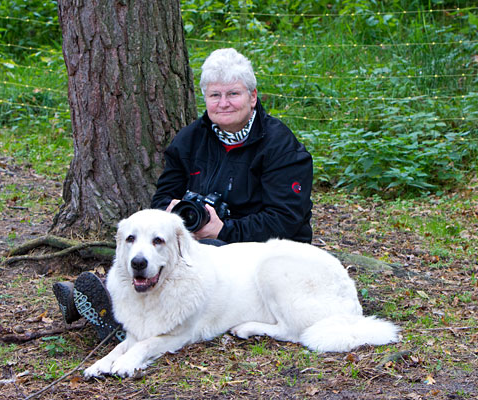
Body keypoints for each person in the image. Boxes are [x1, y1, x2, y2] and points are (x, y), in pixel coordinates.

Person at [53, 48, 313, 340]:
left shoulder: (280, 145)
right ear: (205, 98)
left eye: (233, 94)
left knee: (197, 263)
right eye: (215, 95)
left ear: (252, 97)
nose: (223, 103)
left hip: (263, 253)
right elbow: (162, 199)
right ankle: (105, 300)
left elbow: (286, 220)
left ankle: (108, 314)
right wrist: (171, 218)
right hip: (196, 245)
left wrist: (224, 229)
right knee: (156, 253)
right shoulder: (189, 140)